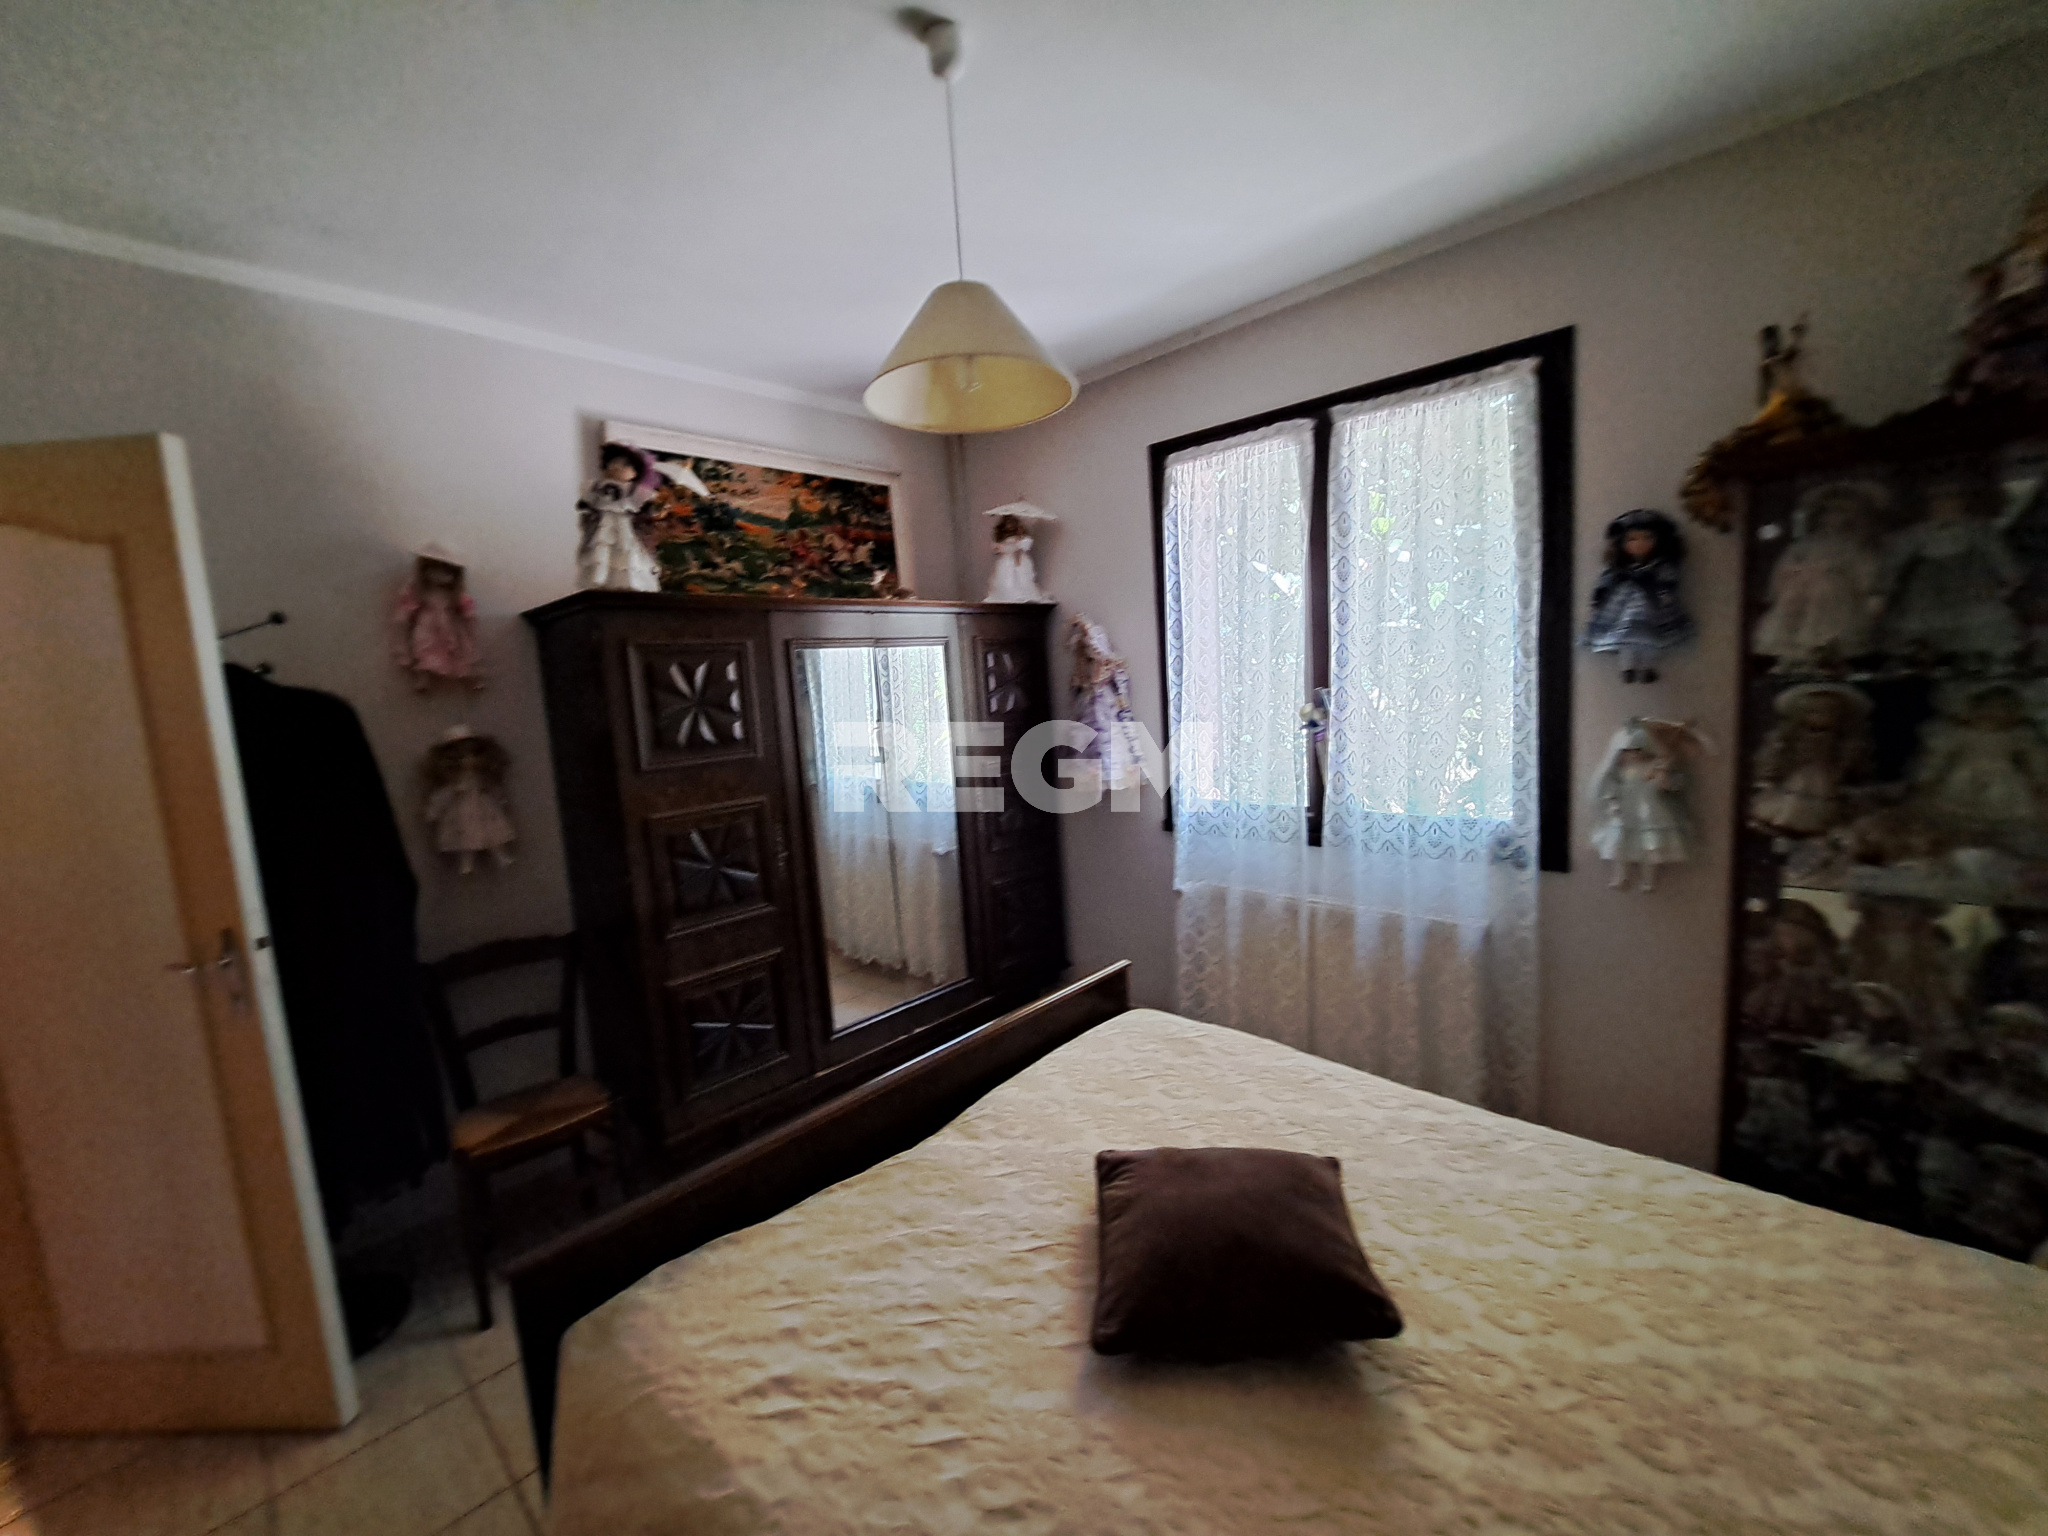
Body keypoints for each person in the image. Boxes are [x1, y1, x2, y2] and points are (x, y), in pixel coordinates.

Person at [1581, 509, 1695, 681]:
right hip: (1623, 604)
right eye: (1632, 539)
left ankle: (1647, 667)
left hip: (1653, 602)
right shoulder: (1618, 569)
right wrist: (1599, 596)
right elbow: (1606, 581)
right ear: (1621, 543)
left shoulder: (1660, 566)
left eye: (1648, 538)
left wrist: (1664, 590)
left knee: (1651, 636)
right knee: (1626, 636)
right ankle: (1627, 667)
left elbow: (1669, 580)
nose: (1640, 544)